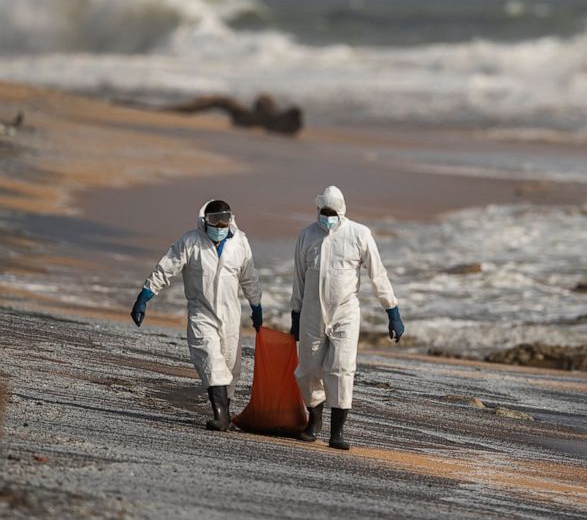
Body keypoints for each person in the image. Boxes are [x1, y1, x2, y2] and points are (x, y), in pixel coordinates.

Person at [130, 200, 263, 431]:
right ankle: (220, 415)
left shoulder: (240, 242)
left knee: (231, 366)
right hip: (202, 313)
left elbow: (249, 277)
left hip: (231, 315)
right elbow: (166, 268)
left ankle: (226, 415)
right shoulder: (190, 242)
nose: (220, 225)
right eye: (214, 220)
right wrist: (144, 297)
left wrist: (257, 307)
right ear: (205, 220)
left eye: (224, 220)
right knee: (211, 360)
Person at [290, 186, 404, 449]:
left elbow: (378, 275)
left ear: (342, 212)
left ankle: (337, 432)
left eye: (332, 213)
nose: (327, 217)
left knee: (341, 369)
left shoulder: (359, 234)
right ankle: (314, 420)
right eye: (323, 212)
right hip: (311, 313)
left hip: (345, 314)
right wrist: (295, 315)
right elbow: (298, 279)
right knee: (306, 370)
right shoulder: (307, 236)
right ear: (318, 210)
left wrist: (392, 311)